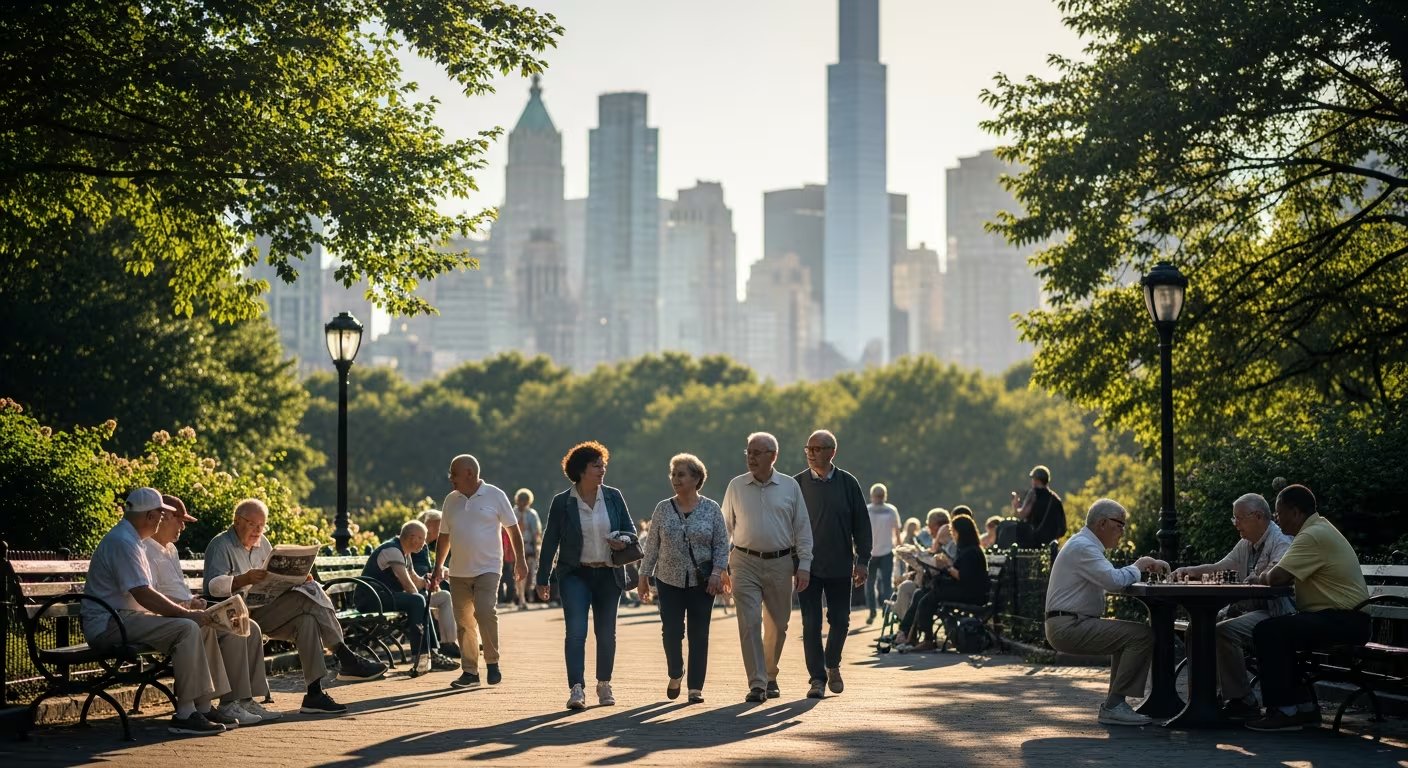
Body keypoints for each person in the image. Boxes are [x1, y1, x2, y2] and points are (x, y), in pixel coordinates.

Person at [205, 499, 387, 715]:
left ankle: (314, 694)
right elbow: (213, 587)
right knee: (307, 600)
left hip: (265, 609)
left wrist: (296, 579)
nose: (257, 530)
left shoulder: (263, 543)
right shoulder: (221, 545)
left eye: (262, 525)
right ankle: (345, 656)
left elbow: (273, 579)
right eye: (252, 524)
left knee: (307, 618)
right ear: (237, 521)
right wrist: (243, 579)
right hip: (237, 614)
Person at [83, 488, 226, 735]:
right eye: (160, 513)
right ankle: (185, 714)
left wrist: (186, 608)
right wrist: (185, 614)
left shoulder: (131, 540)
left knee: (200, 624)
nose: (162, 519)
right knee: (187, 627)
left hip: (125, 618)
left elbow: (145, 594)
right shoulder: (123, 542)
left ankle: (202, 706)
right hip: (109, 623)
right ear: (150, 516)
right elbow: (143, 594)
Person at [1244, 485, 1371, 732]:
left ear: (1295, 512)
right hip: (1343, 619)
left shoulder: (1311, 535)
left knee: (1269, 631)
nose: (1277, 522)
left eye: (1279, 514)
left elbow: (1277, 577)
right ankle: (1303, 708)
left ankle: (1283, 711)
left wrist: (1259, 577)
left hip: (1344, 621)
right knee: (1281, 629)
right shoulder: (1318, 529)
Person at [145, 494, 279, 726]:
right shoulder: (144, 548)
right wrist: (188, 606)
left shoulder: (171, 550)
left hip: (188, 612)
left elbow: (178, 591)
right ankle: (228, 703)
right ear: (163, 517)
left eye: (261, 525)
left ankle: (246, 700)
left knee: (251, 628)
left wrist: (192, 601)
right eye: (180, 520)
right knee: (236, 627)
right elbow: (151, 593)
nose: (183, 526)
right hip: (167, 618)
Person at [1044, 498, 1168, 726]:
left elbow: (1110, 578)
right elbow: (1113, 581)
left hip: (1068, 622)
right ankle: (1114, 705)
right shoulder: (1084, 547)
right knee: (1140, 636)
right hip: (1069, 626)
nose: (1123, 531)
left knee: (1129, 636)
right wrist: (1138, 566)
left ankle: (1115, 704)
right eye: (1119, 524)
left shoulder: (1083, 545)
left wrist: (1133, 571)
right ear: (1102, 523)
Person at [1168, 493, 1292, 718]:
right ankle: (1202, 696)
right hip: (1250, 609)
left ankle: (1242, 699)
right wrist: (1191, 571)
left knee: (1223, 631)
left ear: (1257, 516)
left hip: (1276, 612)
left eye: (1239, 518)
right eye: (1234, 519)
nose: (1236, 524)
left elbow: (1277, 578)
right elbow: (1223, 566)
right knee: (1195, 628)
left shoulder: (1280, 540)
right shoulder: (1247, 542)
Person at [536, 441, 636, 710]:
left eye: (603, 465)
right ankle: (576, 689)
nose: (602, 469)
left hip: (608, 574)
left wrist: (623, 540)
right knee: (576, 632)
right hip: (574, 574)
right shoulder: (562, 502)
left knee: (606, 634)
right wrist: (542, 578)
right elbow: (550, 541)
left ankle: (604, 684)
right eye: (596, 466)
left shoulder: (614, 496)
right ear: (581, 470)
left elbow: (631, 531)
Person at [722, 432, 813, 703]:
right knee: (750, 622)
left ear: (773, 456)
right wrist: (720, 565)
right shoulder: (736, 486)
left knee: (778, 625)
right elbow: (724, 527)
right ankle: (758, 683)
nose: (750, 457)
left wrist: (805, 564)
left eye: (757, 452)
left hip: (781, 563)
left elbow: (802, 528)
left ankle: (771, 674)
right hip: (744, 561)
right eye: (748, 452)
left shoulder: (789, 487)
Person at [638, 453, 729, 704]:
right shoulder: (663, 508)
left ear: (696, 478)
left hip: (703, 582)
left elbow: (722, 545)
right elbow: (653, 545)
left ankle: (695, 688)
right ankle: (676, 672)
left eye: (681, 474)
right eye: (673, 474)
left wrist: (716, 574)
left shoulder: (711, 509)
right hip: (668, 580)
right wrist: (643, 575)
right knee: (671, 631)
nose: (675, 479)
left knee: (699, 634)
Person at [431, 454, 527, 689]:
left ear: (469, 474)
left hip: (488, 568)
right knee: (463, 622)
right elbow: (444, 538)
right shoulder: (450, 501)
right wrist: (437, 569)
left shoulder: (495, 495)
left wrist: (520, 561)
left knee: (484, 611)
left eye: (454, 473)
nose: (450, 478)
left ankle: (492, 662)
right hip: (458, 572)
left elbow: (513, 530)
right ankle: (470, 672)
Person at [793, 429, 870, 699]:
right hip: (807, 567)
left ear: (832, 452)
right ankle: (817, 679)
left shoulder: (848, 483)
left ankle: (832, 664)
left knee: (840, 620)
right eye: (808, 449)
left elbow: (861, 524)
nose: (811, 454)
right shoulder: (797, 484)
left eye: (817, 449)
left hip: (840, 564)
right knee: (810, 623)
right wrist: (793, 563)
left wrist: (863, 560)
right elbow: (787, 526)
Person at [361, 520, 455, 674]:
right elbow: (407, 584)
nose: (424, 543)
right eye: (422, 539)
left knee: (422, 598)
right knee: (419, 600)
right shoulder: (392, 550)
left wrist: (427, 582)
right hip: (370, 598)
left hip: (385, 596)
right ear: (413, 537)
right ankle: (421, 656)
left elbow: (415, 581)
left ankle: (432, 653)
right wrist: (421, 598)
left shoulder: (405, 552)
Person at [895, 511, 990, 652]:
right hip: (965, 589)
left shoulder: (972, 552)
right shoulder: (966, 549)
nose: (954, 536)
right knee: (922, 593)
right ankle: (911, 636)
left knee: (929, 598)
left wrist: (947, 565)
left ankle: (927, 639)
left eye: (954, 532)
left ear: (962, 532)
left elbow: (962, 576)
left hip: (972, 594)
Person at [414, 509, 458, 657]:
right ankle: (448, 643)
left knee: (448, 593)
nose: (440, 532)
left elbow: (425, 569)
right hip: (414, 593)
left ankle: (451, 641)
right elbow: (418, 570)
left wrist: (440, 571)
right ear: (427, 525)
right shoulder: (418, 544)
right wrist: (437, 574)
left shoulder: (422, 544)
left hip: (421, 590)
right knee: (445, 596)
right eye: (438, 527)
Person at [865, 483, 902, 626]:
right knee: (870, 583)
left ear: (884, 496)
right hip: (870, 552)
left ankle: (887, 610)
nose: (879, 498)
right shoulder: (867, 510)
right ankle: (872, 610)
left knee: (886, 584)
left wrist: (899, 547)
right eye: (877, 495)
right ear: (872, 496)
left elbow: (897, 531)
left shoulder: (891, 510)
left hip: (887, 551)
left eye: (881, 495)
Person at [1013, 465, 1066, 546]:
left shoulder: (1033, 494)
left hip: (1031, 545)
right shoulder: (1055, 499)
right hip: (1049, 546)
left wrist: (1015, 504)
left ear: (1036, 480)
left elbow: (1021, 515)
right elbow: (1062, 528)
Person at [514, 489, 543, 608]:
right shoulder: (513, 513)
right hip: (515, 547)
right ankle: (521, 598)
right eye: (521, 500)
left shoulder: (532, 514)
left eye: (525, 501)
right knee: (518, 574)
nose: (523, 503)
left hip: (529, 546)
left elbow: (537, 532)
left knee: (529, 575)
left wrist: (537, 547)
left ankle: (524, 595)